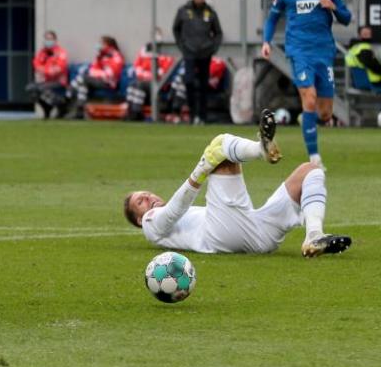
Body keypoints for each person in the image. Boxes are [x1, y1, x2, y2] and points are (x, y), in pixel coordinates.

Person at [124, 110, 351, 258]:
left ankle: (314, 235)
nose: (149, 198)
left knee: (310, 171)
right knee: (220, 147)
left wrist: (203, 170)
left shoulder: (176, 216)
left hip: (256, 233)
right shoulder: (150, 224)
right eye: (141, 202)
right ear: (138, 218)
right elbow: (173, 212)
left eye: (147, 194)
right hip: (220, 237)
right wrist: (200, 171)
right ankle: (260, 149)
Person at [262, 0, 351, 168]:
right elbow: (272, 18)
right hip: (298, 51)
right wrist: (266, 41)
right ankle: (314, 158)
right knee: (309, 97)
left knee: (325, 113)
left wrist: (333, 6)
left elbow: (347, 18)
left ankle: (307, 118)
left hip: (324, 51)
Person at [172, 0, 223, 125]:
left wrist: (213, 48)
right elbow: (176, 29)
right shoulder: (183, 11)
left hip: (205, 53)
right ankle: (192, 113)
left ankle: (203, 116)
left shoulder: (210, 12)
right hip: (189, 52)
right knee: (188, 81)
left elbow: (218, 32)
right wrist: (182, 46)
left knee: (203, 84)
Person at [66, 35, 124, 119]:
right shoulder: (101, 55)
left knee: (83, 78)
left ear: (109, 45)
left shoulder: (116, 56)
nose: (99, 45)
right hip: (98, 81)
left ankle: (68, 94)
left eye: (101, 43)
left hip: (109, 83)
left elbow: (110, 74)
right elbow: (92, 70)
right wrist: (100, 72)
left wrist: (98, 73)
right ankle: (79, 112)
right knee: (83, 86)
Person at [125, 42, 175, 121]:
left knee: (139, 84)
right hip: (146, 84)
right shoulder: (145, 52)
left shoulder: (167, 56)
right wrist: (147, 74)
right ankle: (130, 111)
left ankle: (137, 112)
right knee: (132, 84)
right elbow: (137, 69)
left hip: (160, 85)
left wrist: (145, 74)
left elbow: (161, 74)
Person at [27, 30, 68, 119]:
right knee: (31, 88)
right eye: (46, 39)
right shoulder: (43, 52)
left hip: (59, 82)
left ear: (55, 40)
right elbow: (36, 64)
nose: (48, 41)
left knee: (41, 88)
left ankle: (61, 105)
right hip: (46, 81)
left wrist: (45, 70)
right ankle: (47, 108)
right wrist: (47, 70)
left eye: (50, 39)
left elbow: (59, 68)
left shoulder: (61, 52)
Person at [345, 25, 381, 91]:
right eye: (365, 34)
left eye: (369, 34)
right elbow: (374, 66)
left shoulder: (354, 48)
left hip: (359, 82)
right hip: (373, 81)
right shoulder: (364, 49)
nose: (367, 36)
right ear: (359, 35)